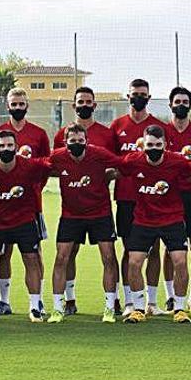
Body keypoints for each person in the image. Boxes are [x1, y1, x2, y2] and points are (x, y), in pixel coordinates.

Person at [119, 125, 191, 324]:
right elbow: (113, 168)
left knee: (180, 261)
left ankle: (179, 308)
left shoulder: (177, 161)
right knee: (133, 263)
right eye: (150, 144)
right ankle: (139, 308)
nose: (154, 148)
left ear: (165, 145)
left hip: (172, 219)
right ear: (143, 145)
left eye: (158, 145)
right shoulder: (133, 161)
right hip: (143, 220)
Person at [0, 130, 51, 323]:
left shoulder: (29, 166)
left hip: (24, 221)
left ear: (16, 147)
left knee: (31, 259)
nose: (6, 149)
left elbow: (52, 165)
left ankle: (35, 306)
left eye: (10, 145)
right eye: (2, 146)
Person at [44, 123, 121, 324]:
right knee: (62, 258)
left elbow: (121, 165)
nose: (76, 144)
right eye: (72, 141)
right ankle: (58, 308)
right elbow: (41, 168)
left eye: (80, 141)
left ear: (86, 141)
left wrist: (108, 176)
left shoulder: (99, 154)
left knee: (108, 257)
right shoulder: (58, 156)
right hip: (71, 216)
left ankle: (110, 307)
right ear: (65, 142)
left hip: (100, 214)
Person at [51, 86, 117, 313]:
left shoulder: (107, 134)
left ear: (94, 105)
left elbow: (117, 165)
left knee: (109, 255)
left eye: (89, 101)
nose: (85, 105)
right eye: (81, 101)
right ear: (74, 104)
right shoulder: (60, 135)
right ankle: (68, 301)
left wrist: (102, 178)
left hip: (100, 208)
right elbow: (55, 166)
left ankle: (113, 301)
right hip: (71, 211)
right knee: (67, 255)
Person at [0, 88, 51, 316]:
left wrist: (32, 190)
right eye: (13, 104)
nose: (17, 107)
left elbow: (45, 167)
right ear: (7, 106)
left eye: (21, 103)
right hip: (3, 208)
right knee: (4, 253)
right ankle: (4, 301)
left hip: (31, 206)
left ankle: (38, 301)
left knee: (34, 253)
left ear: (27, 105)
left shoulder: (39, 134)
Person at [111, 79, 170, 316]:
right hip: (126, 197)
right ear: (128, 96)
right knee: (129, 251)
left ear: (149, 96)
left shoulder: (158, 126)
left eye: (143, 94)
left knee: (154, 249)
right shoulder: (117, 126)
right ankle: (129, 302)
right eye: (135, 94)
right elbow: (113, 163)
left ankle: (152, 303)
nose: (138, 97)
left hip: (154, 199)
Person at [162, 87, 191, 313]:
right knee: (169, 249)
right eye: (177, 101)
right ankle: (170, 296)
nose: (181, 104)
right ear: (170, 105)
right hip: (168, 197)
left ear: (190, 105)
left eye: (185, 101)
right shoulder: (161, 131)